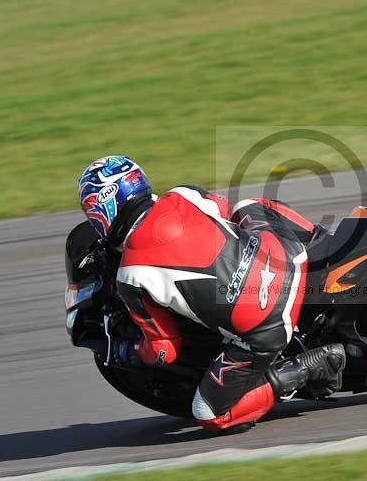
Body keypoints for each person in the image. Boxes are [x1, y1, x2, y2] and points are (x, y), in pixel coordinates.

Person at [77, 155, 345, 432]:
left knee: (208, 413)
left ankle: (307, 368)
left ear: (104, 209)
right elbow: (222, 210)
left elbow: (164, 351)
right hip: (287, 255)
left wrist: (129, 350)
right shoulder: (182, 194)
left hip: (267, 326)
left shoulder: (130, 276)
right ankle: (329, 248)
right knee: (249, 206)